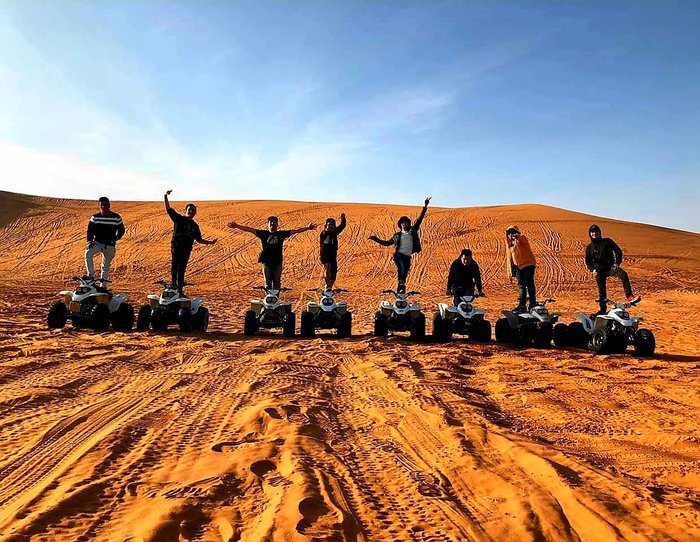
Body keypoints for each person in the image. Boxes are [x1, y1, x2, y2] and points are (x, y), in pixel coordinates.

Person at [228, 215, 317, 290]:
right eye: (271, 223)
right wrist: (237, 226)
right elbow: (249, 229)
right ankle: (268, 302)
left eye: (274, 223)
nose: (273, 224)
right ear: (268, 224)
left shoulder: (281, 234)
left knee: (277, 283)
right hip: (266, 262)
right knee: (267, 284)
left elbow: (296, 231)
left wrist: (308, 228)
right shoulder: (263, 234)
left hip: (277, 262)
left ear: (277, 224)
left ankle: (275, 302)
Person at [368, 197, 431, 293]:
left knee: (404, 273)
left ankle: (400, 289)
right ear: (400, 225)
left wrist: (425, 206)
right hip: (398, 256)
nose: (404, 224)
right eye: (402, 223)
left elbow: (420, 219)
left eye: (405, 222)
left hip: (407, 256)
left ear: (408, 223)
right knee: (401, 267)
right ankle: (401, 285)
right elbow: (387, 243)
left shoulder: (412, 231)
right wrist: (376, 239)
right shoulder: (397, 236)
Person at [164, 190, 217, 295]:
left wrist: (210, 242)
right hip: (176, 246)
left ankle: (180, 289)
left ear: (195, 213)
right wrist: (165, 196)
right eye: (190, 210)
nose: (191, 212)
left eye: (193, 210)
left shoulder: (195, 226)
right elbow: (168, 209)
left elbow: (199, 239)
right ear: (186, 210)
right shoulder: (179, 219)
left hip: (187, 248)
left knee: (182, 268)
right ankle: (173, 283)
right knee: (175, 264)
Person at [585, 224, 641, 314]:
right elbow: (588, 261)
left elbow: (618, 251)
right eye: (592, 232)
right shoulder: (589, 247)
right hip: (599, 271)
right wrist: (593, 269)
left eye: (596, 232)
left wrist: (617, 263)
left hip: (610, 268)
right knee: (601, 291)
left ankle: (629, 296)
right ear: (590, 234)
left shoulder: (607, 241)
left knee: (623, 275)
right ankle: (602, 310)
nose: (594, 234)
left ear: (599, 232)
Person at [85, 196, 125, 289]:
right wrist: (89, 242)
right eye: (101, 205)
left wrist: (117, 237)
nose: (103, 206)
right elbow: (90, 230)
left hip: (110, 245)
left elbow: (122, 229)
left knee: (105, 266)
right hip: (97, 243)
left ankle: (103, 286)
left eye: (105, 204)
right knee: (88, 252)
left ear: (109, 205)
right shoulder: (95, 217)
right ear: (99, 206)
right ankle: (90, 276)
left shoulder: (116, 217)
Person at [505, 225, 537, 312]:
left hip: (528, 264)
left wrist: (517, 237)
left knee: (529, 283)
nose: (511, 235)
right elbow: (509, 259)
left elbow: (521, 239)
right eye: (509, 233)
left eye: (513, 232)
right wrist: (510, 272)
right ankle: (522, 305)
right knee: (521, 286)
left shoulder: (521, 239)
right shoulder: (509, 245)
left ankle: (533, 303)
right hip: (518, 267)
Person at [320, 213, 347, 289]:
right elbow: (326, 233)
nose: (331, 227)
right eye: (329, 225)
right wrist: (327, 229)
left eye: (333, 225)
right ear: (326, 226)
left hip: (333, 255)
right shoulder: (324, 233)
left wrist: (343, 217)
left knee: (334, 276)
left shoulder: (335, 232)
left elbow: (342, 225)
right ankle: (328, 285)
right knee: (328, 267)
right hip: (325, 255)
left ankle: (329, 287)